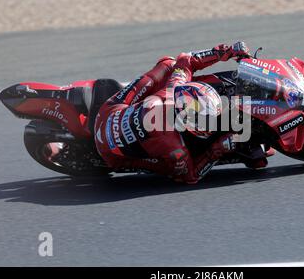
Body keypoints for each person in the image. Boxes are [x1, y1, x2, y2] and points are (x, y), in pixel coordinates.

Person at [93, 42, 257, 184]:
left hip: (111, 111)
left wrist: (226, 51)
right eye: (207, 121)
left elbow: (186, 59)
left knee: (169, 64)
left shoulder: (174, 87)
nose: (212, 124)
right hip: (111, 153)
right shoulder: (175, 147)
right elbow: (191, 177)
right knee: (172, 168)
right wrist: (216, 150)